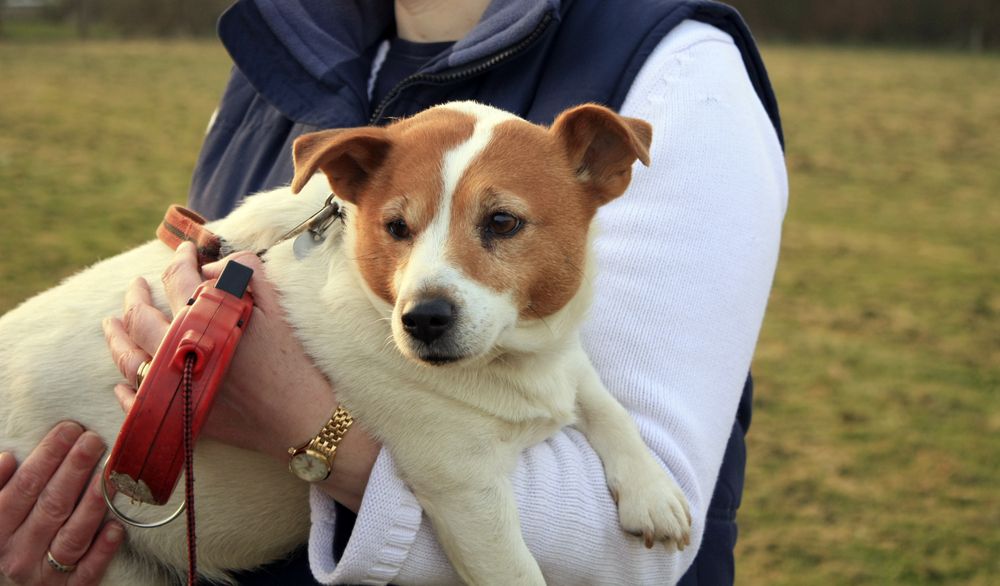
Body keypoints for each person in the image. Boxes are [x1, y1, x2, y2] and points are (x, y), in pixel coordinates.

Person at [0, 0, 787, 584]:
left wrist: (312, 428)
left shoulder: (678, 73)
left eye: (502, 226)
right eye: (402, 230)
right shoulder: (276, 47)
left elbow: (643, 547)